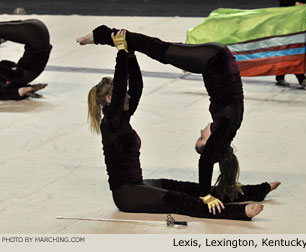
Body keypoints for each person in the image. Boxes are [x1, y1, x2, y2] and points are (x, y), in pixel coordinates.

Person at [78, 29, 281, 220]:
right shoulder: (110, 123)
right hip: (126, 195)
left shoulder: (121, 117)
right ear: (111, 100)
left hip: (137, 185)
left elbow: (136, 86)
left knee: (188, 188)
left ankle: (255, 191)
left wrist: (130, 56)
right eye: (123, 95)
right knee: (183, 202)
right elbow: (123, 86)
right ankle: (238, 211)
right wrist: (121, 53)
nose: (129, 96)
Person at [0, 19, 51, 100]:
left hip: (36, 31)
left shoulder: (22, 74)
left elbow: (6, 64)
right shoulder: (19, 76)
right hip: (33, 33)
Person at [276, 0, 306, 88]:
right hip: (289, 13)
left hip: (298, 13)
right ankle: (299, 76)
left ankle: (281, 75)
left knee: (296, 44)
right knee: (291, 44)